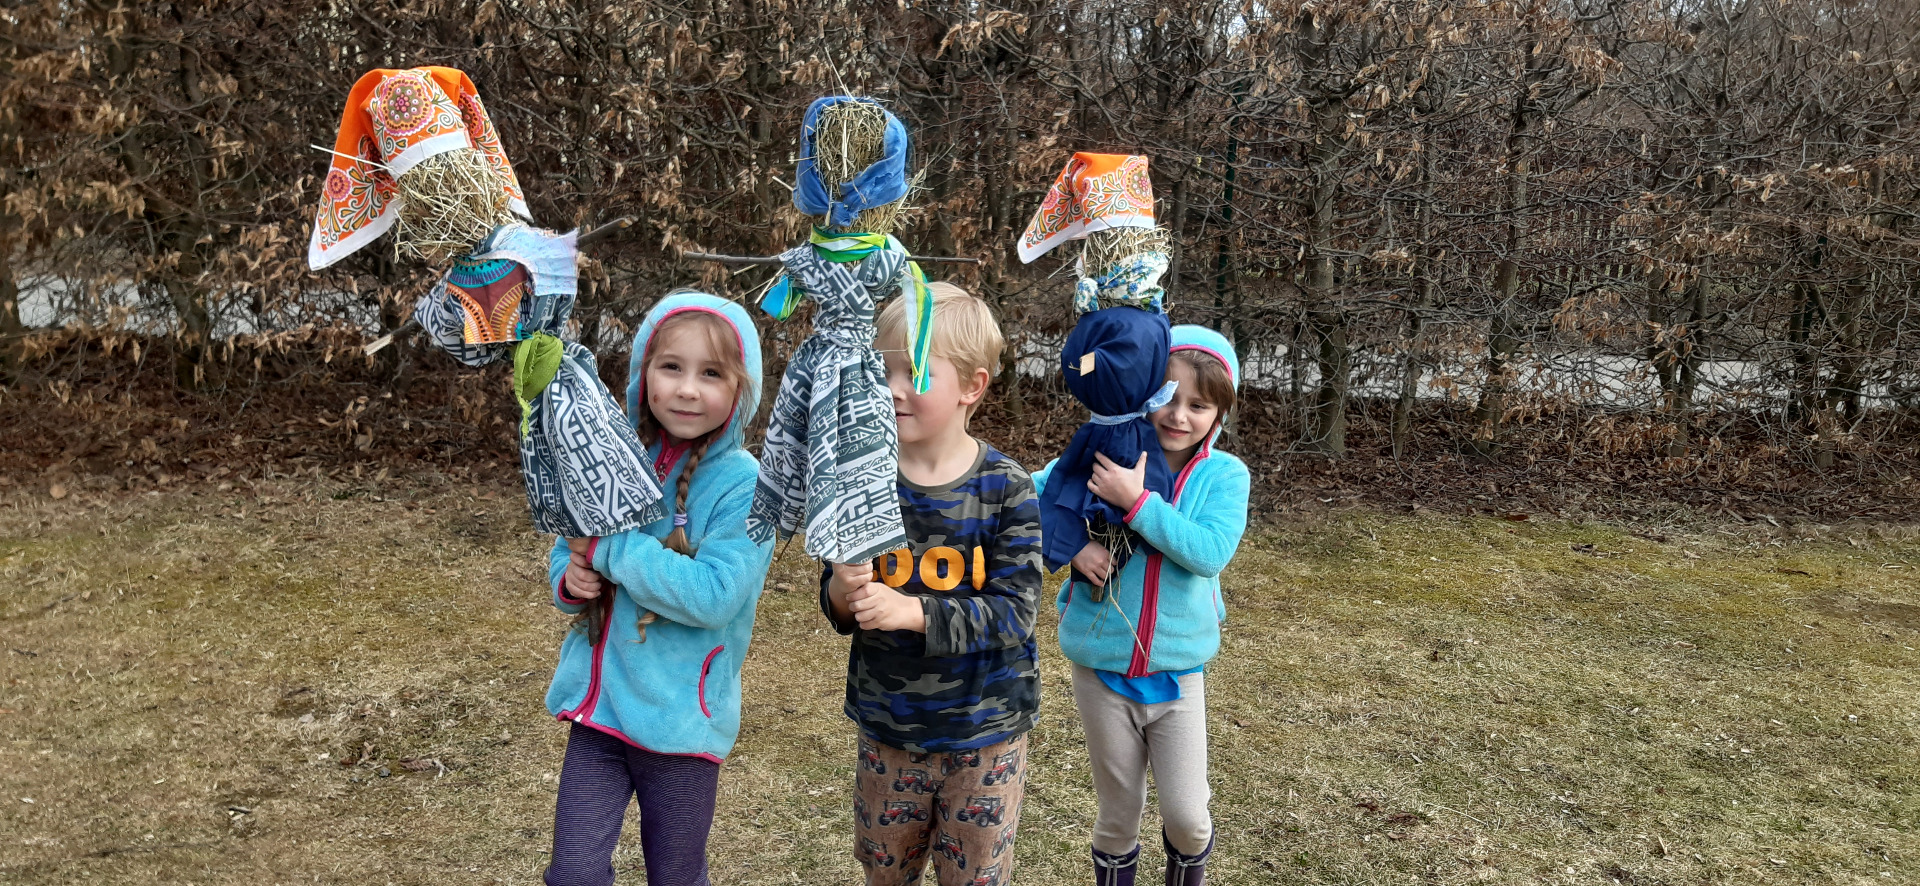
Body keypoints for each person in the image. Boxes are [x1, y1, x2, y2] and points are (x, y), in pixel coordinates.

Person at [541, 292, 772, 886]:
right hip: (600, 716)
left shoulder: (745, 486)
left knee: (675, 875)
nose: (687, 389)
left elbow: (715, 594)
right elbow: (572, 543)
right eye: (671, 366)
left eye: (711, 373)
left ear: (741, 388)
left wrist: (610, 550)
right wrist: (571, 579)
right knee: (573, 874)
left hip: (679, 726)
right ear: (643, 372)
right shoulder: (614, 455)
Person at [822, 283, 1044, 886]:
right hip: (889, 729)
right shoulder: (862, 482)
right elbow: (839, 607)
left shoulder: (1007, 488)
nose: (892, 388)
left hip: (985, 735)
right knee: (885, 873)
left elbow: (1014, 614)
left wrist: (912, 613)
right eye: (882, 371)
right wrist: (842, 584)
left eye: (914, 372)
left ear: (972, 386)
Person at [1035, 325, 1248, 886]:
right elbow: (1025, 496)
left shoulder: (1225, 476)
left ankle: (1186, 867)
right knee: (1117, 815)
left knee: (1188, 819)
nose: (1178, 416)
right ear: (1142, 392)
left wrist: (1136, 503)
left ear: (1219, 414)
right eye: (1167, 397)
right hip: (1101, 665)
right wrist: (1073, 545)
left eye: (1198, 405)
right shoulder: (1104, 454)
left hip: (1178, 671)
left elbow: (1208, 552)